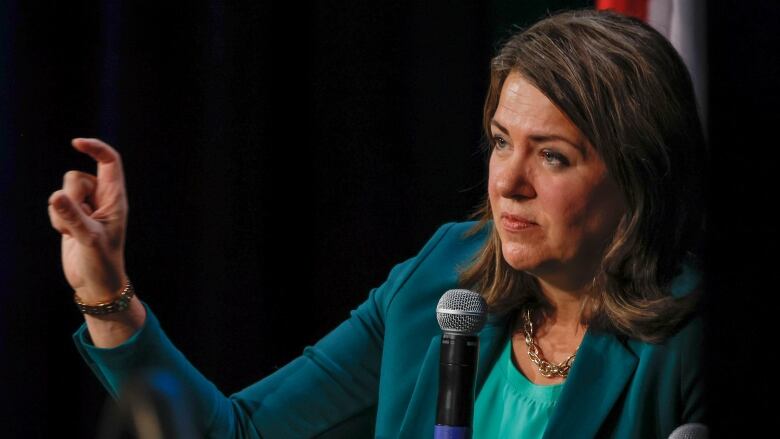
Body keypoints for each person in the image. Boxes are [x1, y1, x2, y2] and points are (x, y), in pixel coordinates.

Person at [48, 8, 707, 438]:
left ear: (636, 175)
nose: (508, 181)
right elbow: (236, 431)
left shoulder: (686, 340)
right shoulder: (440, 280)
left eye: (553, 156)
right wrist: (106, 291)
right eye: (502, 142)